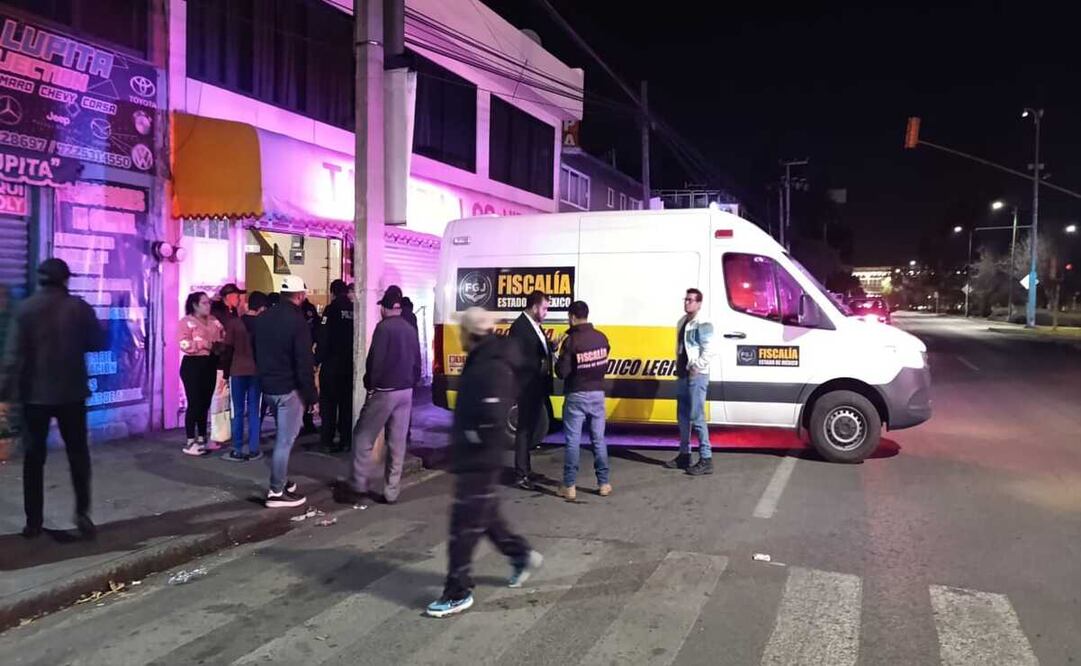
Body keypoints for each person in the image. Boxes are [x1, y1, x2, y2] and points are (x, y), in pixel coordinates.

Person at [426, 307, 542, 618]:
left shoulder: (491, 364)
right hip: (473, 457)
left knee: (463, 527)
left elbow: (492, 414)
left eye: (461, 330)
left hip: (479, 459)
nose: (459, 335)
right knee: (486, 516)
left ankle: (458, 591)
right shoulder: (483, 358)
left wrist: (472, 439)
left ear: (471, 333)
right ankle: (521, 555)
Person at [1, 259, 107, 539]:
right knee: (78, 455)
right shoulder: (79, 307)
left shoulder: (25, 309)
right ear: (65, 279)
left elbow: (12, 356)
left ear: (40, 279)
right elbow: (98, 342)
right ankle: (82, 513)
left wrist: (4, 394)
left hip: (35, 395)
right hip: (72, 393)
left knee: (34, 459)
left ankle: (33, 522)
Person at [348, 287, 421, 504]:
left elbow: (375, 361)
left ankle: (359, 484)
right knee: (397, 443)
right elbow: (417, 362)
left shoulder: (383, 328)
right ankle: (391, 491)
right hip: (405, 391)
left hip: (385, 391)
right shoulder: (409, 328)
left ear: (385, 308)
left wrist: (371, 384)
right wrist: (412, 382)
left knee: (363, 436)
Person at [254, 275, 317, 508]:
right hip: (289, 389)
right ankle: (276, 491)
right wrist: (311, 396)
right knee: (284, 441)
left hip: (268, 387)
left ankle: (282, 480)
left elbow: (256, 351)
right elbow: (303, 362)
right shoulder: (297, 322)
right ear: (299, 295)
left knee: (282, 438)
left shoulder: (263, 318)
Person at [554, 300, 612, 501]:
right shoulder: (601, 338)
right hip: (597, 394)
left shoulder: (571, 341)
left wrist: (555, 353)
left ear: (572, 317)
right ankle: (603, 483)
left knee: (573, 441)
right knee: (599, 440)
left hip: (576, 395)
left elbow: (562, 372)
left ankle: (569, 486)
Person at [664, 288, 715, 475]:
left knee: (697, 416)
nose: (687, 303)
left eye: (691, 300)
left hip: (696, 375)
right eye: (685, 299)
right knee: (683, 416)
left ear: (699, 303)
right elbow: (680, 348)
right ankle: (684, 455)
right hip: (682, 374)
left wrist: (697, 367)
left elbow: (709, 349)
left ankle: (706, 458)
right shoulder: (682, 321)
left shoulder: (703, 323)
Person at [508, 290, 554, 490]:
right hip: (526, 386)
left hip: (537, 385)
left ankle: (526, 468)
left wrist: (551, 347)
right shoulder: (520, 327)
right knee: (524, 431)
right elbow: (517, 359)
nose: (546, 312)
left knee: (531, 430)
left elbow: (539, 350)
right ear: (534, 307)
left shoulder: (535, 325)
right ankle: (520, 475)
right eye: (544, 308)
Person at [221, 290, 267, 462]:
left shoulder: (235, 323)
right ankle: (254, 449)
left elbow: (227, 349)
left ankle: (237, 448)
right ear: (262, 307)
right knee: (254, 411)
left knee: (237, 411)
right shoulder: (263, 325)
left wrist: (225, 373)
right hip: (256, 372)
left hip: (237, 371)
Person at [179, 291, 225, 456]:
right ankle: (190, 440)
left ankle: (202, 438)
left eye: (209, 302)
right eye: (204, 303)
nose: (208, 306)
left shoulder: (214, 321)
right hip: (193, 365)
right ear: (195, 305)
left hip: (210, 364)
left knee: (205, 402)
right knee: (195, 402)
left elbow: (223, 336)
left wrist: (219, 345)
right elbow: (184, 344)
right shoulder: (186, 322)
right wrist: (204, 344)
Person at [315, 279, 354, 452]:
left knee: (329, 405)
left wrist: (317, 360)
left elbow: (323, 337)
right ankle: (346, 440)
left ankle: (327, 442)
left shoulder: (331, 310)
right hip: (349, 366)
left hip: (332, 365)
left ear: (332, 293)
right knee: (346, 406)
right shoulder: (354, 309)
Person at [300, 296, 320, 435]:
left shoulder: (307, 309)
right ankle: (306, 421)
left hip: (307, 352)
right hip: (306, 352)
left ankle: (307, 421)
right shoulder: (303, 309)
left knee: (306, 388)